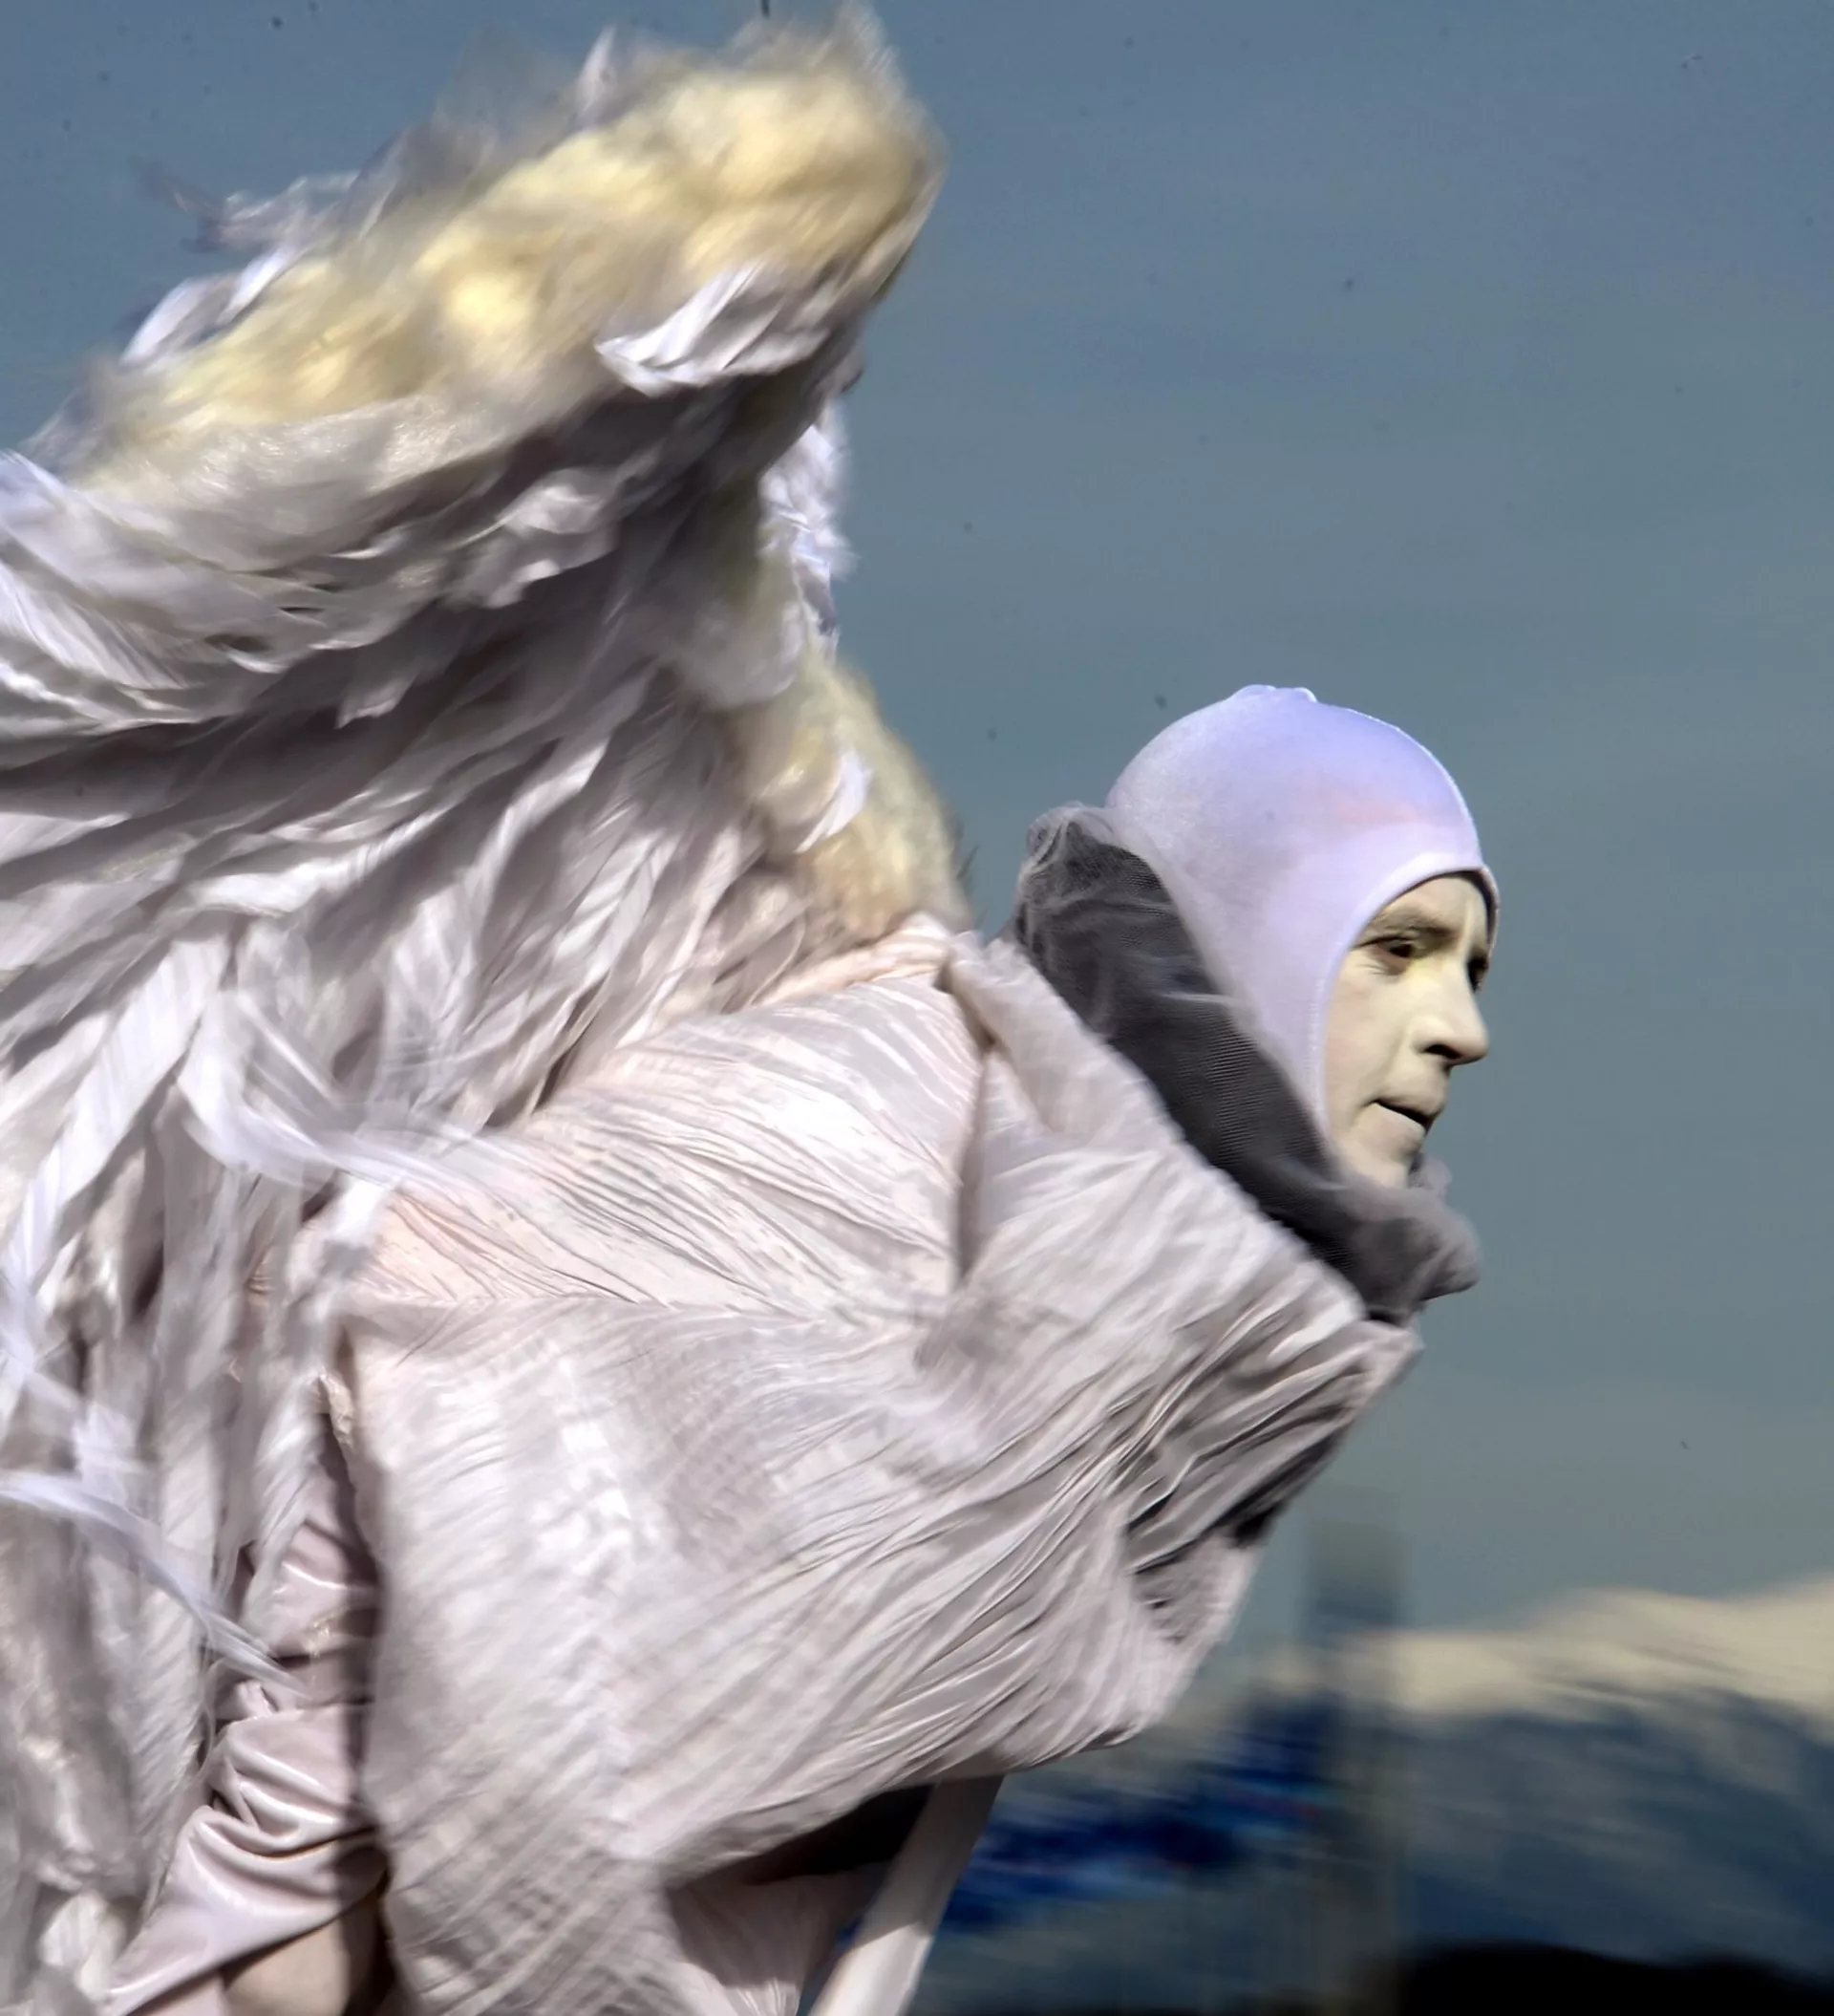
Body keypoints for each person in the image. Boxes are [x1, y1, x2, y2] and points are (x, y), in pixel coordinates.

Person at [0, 21, 1495, 2016]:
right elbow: (434, 1297)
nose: (1461, 1027)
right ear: (1250, 920)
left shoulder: (1191, 1324)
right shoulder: (891, 1075)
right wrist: (300, 1860)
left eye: (1474, 966)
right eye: (1401, 947)